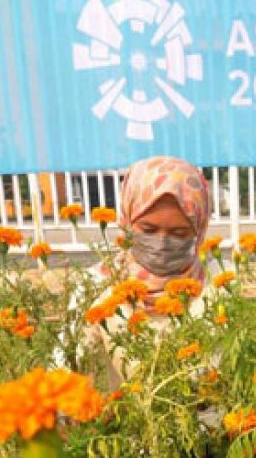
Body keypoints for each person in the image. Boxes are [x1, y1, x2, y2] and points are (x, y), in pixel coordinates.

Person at [59, 156, 214, 388]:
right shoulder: (98, 285)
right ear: (127, 221)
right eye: (148, 229)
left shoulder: (218, 285)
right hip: (129, 419)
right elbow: (67, 374)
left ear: (199, 230)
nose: (162, 243)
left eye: (179, 233)